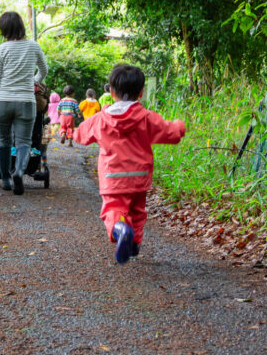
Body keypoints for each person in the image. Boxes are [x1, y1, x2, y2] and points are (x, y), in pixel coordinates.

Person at [75, 64, 186, 264]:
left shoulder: (100, 119)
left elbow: (81, 134)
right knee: (137, 211)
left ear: (111, 91)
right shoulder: (147, 118)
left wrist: (71, 132)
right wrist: (179, 127)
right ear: (141, 93)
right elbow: (169, 132)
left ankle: (121, 230)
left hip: (112, 178)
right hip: (139, 177)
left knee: (113, 211)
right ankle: (134, 243)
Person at [0, 12, 48, 195]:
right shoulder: (33, 46)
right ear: (21, 26)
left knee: (3, 141)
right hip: (26, 101)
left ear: (4, 30)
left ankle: (7, 179)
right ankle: (18, 171)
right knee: (24, 142)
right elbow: (44, 70)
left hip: (3, 101)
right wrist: (33, 80)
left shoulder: (2, 49)